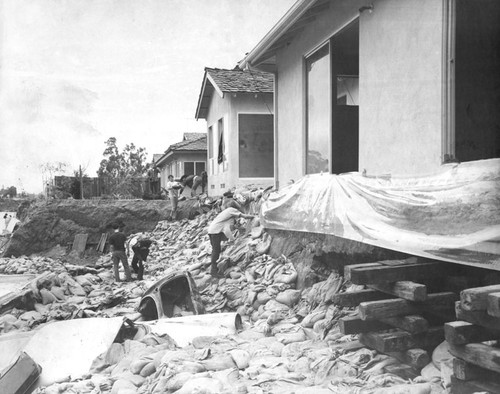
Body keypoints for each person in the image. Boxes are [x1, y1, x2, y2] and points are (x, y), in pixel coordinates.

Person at [207, 200, 254, 277]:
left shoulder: (226, 212)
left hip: (212, 230)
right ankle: (214, 271)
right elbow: (227, 229)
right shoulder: (231, 210)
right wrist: (253, 217)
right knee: (216, 250)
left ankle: (214, 269)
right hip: (215, 231)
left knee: (215, 250)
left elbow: (227, 227)